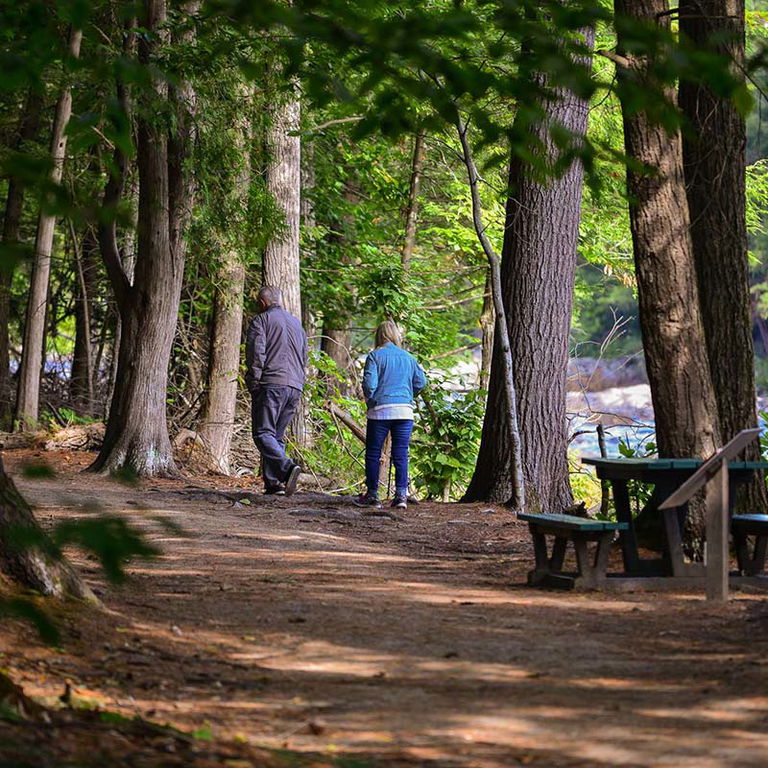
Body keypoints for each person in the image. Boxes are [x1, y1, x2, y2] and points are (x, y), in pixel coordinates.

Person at [354, 320, 427, 510]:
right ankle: (401, 495)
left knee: (373, 452)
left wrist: (371, 400)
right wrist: (408, 395)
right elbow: (421, 382)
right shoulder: (409, 358)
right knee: (401, 452)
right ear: (395, 336)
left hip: (380, 411)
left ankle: (372, 495)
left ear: (379, 336)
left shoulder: (375, 356)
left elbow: (370, 385)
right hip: (404, 411)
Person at [245, 285, 307, 496]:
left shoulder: (261, 321)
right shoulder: (297, 324)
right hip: (295, 386)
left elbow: (256, 353)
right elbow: (304, 357)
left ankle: (288, 467)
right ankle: (274, 484)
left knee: (263, 433)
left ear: (262, 303)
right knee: (276, 436)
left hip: (272, 383)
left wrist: (254, 381)